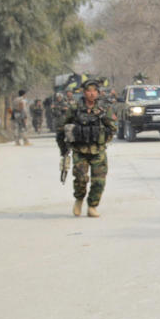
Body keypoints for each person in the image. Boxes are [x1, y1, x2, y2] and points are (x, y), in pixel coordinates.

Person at [59, 78, 116, 217]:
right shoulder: (75, 108)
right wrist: (64, 149)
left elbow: (113, 127)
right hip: (80, 150)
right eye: (88, 91)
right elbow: (62, 127)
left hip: (98, 151)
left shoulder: (104, 109)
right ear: (84, 93)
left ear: (98, 93)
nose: (91, 94)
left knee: (99, 181)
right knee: (80, 179)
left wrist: (103, 140)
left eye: (94, 91)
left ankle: (92, 206)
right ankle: (79, 199)